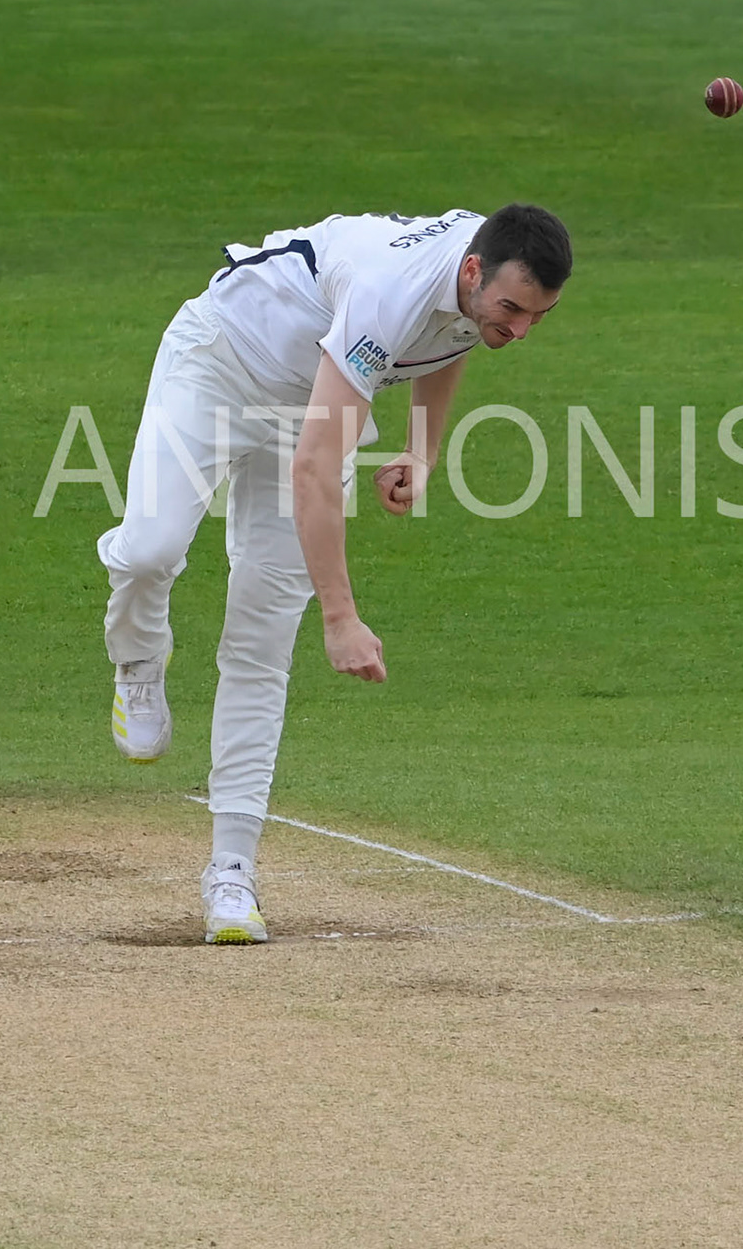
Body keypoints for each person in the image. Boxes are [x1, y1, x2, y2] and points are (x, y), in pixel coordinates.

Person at [97, 204, 573, 942]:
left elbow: (453, 340)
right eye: (511, 309)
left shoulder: (483, 269)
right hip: (218, 363)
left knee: (261, 638)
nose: (518, 330)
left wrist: (421, 449)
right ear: (473, 272)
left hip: (308, 401)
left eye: (537, 317)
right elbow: (316, 472)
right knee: (150, 550)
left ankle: (231, 875)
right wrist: (341, 618)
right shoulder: (391, 292)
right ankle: (137, 662)